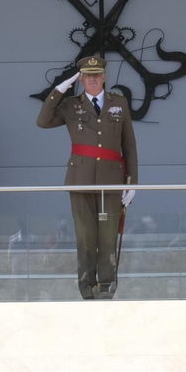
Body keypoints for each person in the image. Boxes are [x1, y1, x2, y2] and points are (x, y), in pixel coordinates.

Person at [38, 55, 138, 300]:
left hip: (112, 180)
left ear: (104, 76)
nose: (93, 79)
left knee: (107, 239)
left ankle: (106, 289)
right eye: (87, 75)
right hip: (80, 179)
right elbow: (43, 121)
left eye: (97, 75)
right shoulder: (71, 105)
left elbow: (129, 145)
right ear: (81, 79)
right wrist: (60, 88)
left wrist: (133, 182)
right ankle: (86, 290)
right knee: (85, 239)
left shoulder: (119, 103)